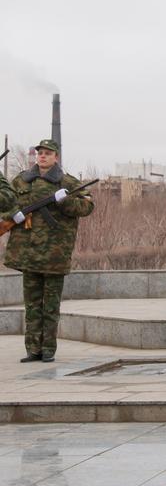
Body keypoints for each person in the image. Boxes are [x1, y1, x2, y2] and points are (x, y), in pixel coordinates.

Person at [4, 139, 95, 363]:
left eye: (47, 153)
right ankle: (32, 349)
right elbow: (6, 202)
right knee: (32, 305)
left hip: (54, 254)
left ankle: (48, 350)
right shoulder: (22, 180)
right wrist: (12, 215)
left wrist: (64, 202)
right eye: (40, 153)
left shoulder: (68, 182)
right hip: (28, 252)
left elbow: (87, 207)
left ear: (56, 157)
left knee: (50, 305)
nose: (42, 156)